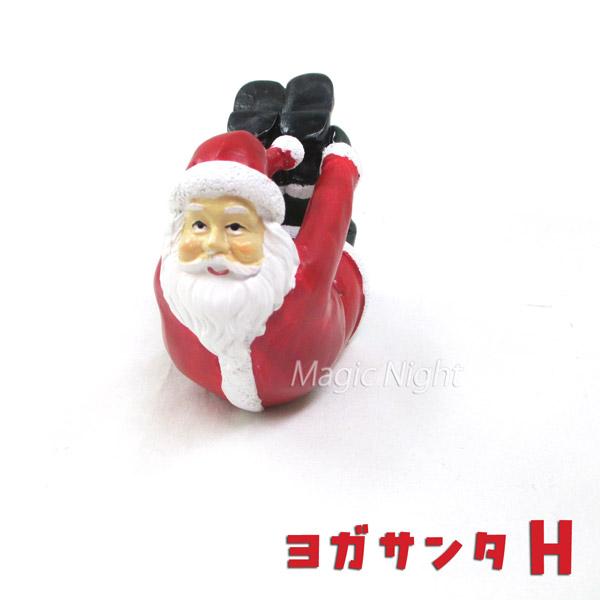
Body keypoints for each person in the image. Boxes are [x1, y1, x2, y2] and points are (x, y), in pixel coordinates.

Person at [155, 130, 364, 411]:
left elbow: (330, 216)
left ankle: (289, 201)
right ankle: (275, 183)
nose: (213, 244)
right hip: (278, 369)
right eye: (200, 225)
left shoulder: (303, 283)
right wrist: (335, 160)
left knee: (342, 263)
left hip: (329, 316)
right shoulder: (170, 278)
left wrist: (340, 166)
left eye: (234, 227)